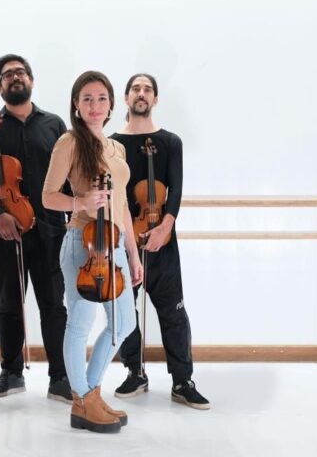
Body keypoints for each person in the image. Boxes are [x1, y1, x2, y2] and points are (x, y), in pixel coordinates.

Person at [42, 71, 143, 433]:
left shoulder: (117, 148)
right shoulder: (69, 142)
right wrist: (80, 201)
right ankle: (82, 400)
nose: (95, 105)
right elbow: (48, 196)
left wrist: (133, 254)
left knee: (124, 323)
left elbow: (123, 206)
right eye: (87, 98)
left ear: (112, 104)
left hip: (115, 245)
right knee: (80, 323)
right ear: (76, 104)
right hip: (82, 244)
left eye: (101, 98)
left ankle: (91, 393)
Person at [0, 54, 71, 403]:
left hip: (50, 230)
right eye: (6, 75)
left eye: (20, 72)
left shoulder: (54, 125)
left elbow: (68, 176)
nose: (15, 77)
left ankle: (60, 376)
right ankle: (11, 373)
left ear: (31, 79)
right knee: (9, 303)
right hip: (5, 234)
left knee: (53, 304)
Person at [109, 73, 210, 410]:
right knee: (125, 311)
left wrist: (165, 227)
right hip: (124, 240)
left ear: (155, 99)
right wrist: (128, 241)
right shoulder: (112, 144)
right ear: (126, 98)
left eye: (147, 89)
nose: (141, 93)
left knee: (174, 311)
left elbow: (175, 190)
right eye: (135, 89)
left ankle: (182, 380)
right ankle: (134, 371)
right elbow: (115, 196)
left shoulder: (170, 142)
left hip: (163, 240)